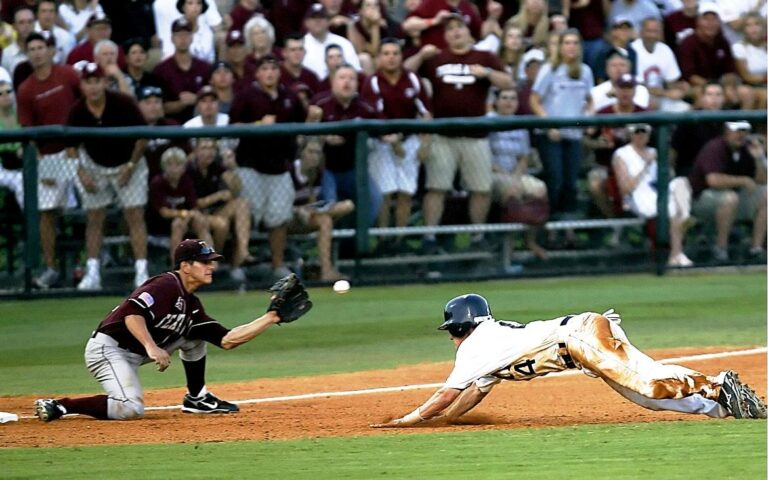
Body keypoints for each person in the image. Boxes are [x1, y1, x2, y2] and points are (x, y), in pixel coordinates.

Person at [372, 294, 767, 428]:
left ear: (466, 326)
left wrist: (410, 421)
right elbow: (474, 391)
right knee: (646, 395)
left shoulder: (481, 342)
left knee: (647, 381)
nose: (454, 339)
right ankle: (720, 406)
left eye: (455, 330)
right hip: (580, 344)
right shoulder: (489, 349)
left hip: (578, 337)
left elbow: (447, 392)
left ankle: (717, 385)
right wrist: (451, 421)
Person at [33, 239, 312, 422]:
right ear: (185, 266)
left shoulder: (192, 305)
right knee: (131, 408)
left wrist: (271, 317)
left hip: (135, 351)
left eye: (211, 260)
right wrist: (152, 347)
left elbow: (228, 340)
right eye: (205, 261)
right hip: (108, 349)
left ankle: (197, 398)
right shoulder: (165, 285)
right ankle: (62, 406)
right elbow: (132, 314)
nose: (211, 266)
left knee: (194, 336)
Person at [407, 14, 513, 252]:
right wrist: (421, 55)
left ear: (469, 32)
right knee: (436, 188)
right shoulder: (437, 58)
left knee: (481, 188)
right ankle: (430, 237)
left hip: (475, 136)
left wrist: (487, 74)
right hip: (442, 135)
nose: (455, 32)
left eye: (460, 28)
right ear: (445, 35)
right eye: (451, 29)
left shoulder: (485, 57)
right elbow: (405, 74)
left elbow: (508, 82)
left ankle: (477, 237)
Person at [67, 62, 149, 291]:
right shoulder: (78, 110)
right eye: (88, 82)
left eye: (96, 81)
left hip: (128, 163)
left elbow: (143, 136)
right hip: (94, 165)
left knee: (134, 215)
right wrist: (81, 172)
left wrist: (131, 166)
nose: (93, 87)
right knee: (94, 218)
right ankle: (92, 273)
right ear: (82, 85)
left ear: (105, 82)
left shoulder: (123, 103)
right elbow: (71, 146)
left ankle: (141, 273)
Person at [230, 54, 309, 279]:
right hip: (250, 166)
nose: (270, 73)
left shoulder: (289, 96)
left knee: (279, 218)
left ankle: (278, 265)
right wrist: (257, 125)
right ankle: (238, 265)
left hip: (280, 167)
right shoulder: (246, 95)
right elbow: (232, 126)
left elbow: (303, 122)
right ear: (257, 73)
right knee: (246, 217)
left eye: (274, 68)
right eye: (265, 68)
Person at [17, 31, 82, 289]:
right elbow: (28, 132)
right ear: (27, 52)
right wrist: (42, 164)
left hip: (75, 152)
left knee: (86, 209)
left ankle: (87, 263)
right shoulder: (26, 89)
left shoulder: (68, 75)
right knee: (46, 212)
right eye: (31, 48)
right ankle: (50, 266)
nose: (37, 52)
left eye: (41, 47)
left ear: (50, 50)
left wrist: (75, 146)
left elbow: (85, 104)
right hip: (47, 157)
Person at [360, 38, 430, 247]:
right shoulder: (372, 82)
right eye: (387, 53)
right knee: (385, 192)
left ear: (401, 57)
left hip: (409, 139)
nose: (391, 58)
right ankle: (383, 239)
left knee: (406, 192)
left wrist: (425, 143)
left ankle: (399, 239)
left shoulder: (413, 79)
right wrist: (393, 140)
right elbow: (375, 115)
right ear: (379, 57)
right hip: (382, 143)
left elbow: (426, 112)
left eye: (395, 54)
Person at [529, 29, 593, 245]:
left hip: (573, 134)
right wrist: (549, 124)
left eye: (575, 43)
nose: (571, 47)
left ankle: (568, 228)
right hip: (551, 134)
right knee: (555, 179)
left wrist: (586, 119)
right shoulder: (550, 69)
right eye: (567, 42)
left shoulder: (584, 71)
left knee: (571, 183)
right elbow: (535, 100)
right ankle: (550, 228)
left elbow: (590, 99)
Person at [613, 123, 694, 267]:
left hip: (659, 191)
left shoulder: (655, 152)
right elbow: (625, 189)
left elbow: (667, 177)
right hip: (638, 196)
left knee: (682, 183)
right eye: (637, 132)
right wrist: (646, 165)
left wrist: (663, 166)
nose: (641, 136)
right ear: (630, 134)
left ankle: (683, 225)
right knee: (674, 210)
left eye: (644, 132)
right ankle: (676, 254)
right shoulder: (622, 154)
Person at [688, 121, 767, 262]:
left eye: (743, 131)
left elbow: (761, 181)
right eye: (736, 131)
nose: (740, 135)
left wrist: (759, 158)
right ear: (727, 131)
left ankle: (756, 249)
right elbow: (713, 180)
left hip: (735, 198)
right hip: (701, 200)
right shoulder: (715, 147)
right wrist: (743, 180)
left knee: (765, 195)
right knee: (730, 199)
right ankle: (721, 250)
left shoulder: (747, 149)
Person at [487, 88, 548, 259]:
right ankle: (508, 248)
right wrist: (507, 177)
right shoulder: (487, 121)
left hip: (515, 174)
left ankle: (530, 241)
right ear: (496, 101)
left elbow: (524, 157)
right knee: (512, 191)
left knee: (539, 188)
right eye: (504, 98)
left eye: (513, 98)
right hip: (492, 174)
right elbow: (484, 157)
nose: (509, 102)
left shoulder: (519, 124)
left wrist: (515, 176)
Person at [188, 138, 254, 283]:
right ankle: (213, 259)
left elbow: (236, 191)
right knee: (221, 224)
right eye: (204, 148)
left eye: (212, 148)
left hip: (215, 211)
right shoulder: (189, 169)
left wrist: (232, 169)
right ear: (196, 151)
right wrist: (217, 196)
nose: (209, 152)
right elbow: (194, 203)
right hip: (194, 215)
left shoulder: (217, 166)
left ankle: (243, 251)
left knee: (241, 204)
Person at [148, 147, 214, 263]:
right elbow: (164, 212)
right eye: (170, 165)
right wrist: (183, 214)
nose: (174, 169)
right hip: (161, 223)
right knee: (177, 224)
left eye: (178, 165)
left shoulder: (186, 180)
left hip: (185, 219)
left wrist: (188, 216)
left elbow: (193, 206)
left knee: (199, 219)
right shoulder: (157, 182)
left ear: (183, 167)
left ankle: (209, 258)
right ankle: (176, 265)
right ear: (164, 166)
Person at [153, 18, 211, 124]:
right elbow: (158, 107)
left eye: (186, 34)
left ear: (192, 38)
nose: (183, 39)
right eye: (179, 35)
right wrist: (180, 104)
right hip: (172, 125)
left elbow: (215, 100)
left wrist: (197, 100)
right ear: (172, 38)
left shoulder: (205, 67)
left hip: (202, 124)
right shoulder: (161, 70)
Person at [301, 3, 361, 81]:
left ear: (328, 21)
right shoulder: (300, 45)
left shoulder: (343, 43)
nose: (317, 21)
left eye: (321, 17)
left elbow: (356, 70)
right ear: (306, 23)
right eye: (313, 18)